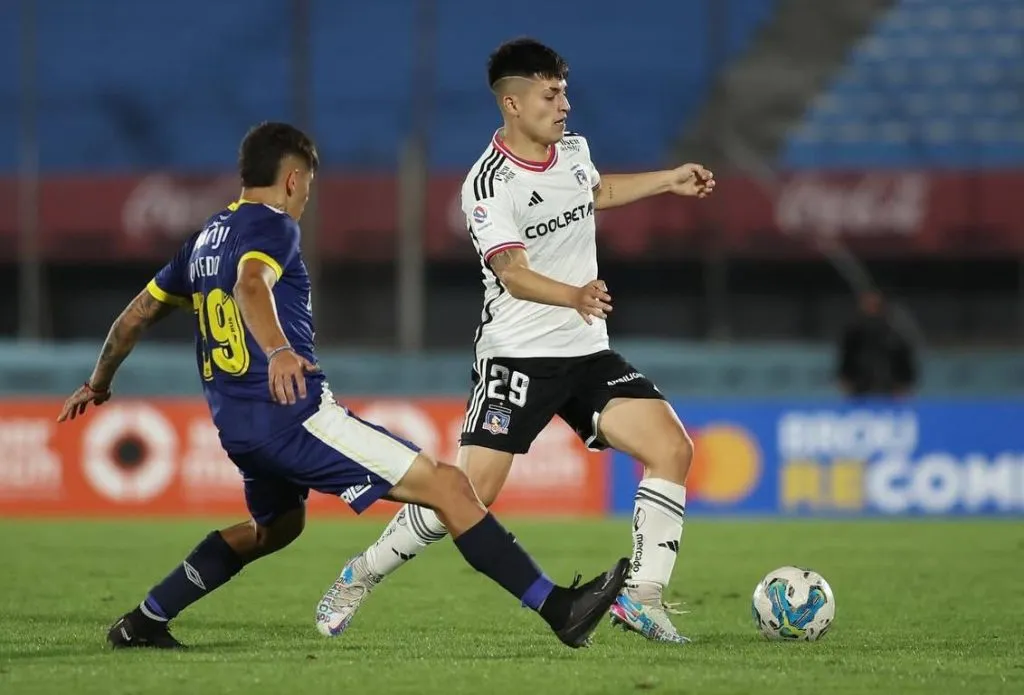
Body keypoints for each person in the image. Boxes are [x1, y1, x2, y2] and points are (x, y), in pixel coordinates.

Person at [57, 121, 628, 650]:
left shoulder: (204, 240)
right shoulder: (272, 227)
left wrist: (98, 382)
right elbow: (251, 285)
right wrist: (279, 351)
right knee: (451, 488)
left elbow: (133, 316)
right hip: (294, 416)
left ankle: (144, 621)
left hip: (239, 429)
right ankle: (561, 610)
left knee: (275, 528)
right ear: (292, 179)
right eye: (307, 187)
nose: (305, 199)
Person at [317, 39, 715, 645]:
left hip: (584, 350)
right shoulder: (488, 184)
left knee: (672, 449)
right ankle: (360, 574)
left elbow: (595, 192)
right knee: (466, 497)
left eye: (564, 91)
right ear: (512, 102)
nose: (564, 104)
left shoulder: (573, 151)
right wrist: (574, 295)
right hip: (518, 355)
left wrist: (668, 180)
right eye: (550, 94)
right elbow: (511, 272)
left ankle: (643, 596)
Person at [837, 290, 918, 397]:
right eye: (868, 305)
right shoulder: (853, 333)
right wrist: (846, 379)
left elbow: (903, 359)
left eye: (874, 305)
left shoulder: (894, 333)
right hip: (860, 388)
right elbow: (847, 357)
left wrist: (903, 382)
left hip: (889, 389)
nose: (871, 309)